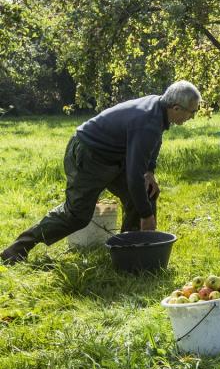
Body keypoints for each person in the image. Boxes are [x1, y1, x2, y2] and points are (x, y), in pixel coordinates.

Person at [0, 80, 201, 265]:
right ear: (176, 108)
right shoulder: (147, 121)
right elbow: (133, 175)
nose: (192, 117)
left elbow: (154, 143)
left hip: (111, 157)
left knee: (144, 194)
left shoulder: (158, 108)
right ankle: (18, 248)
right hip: (88, 153)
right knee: (76, 215)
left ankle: (132, 251)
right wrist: (146, 215)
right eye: (191, 112)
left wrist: (150, 171)